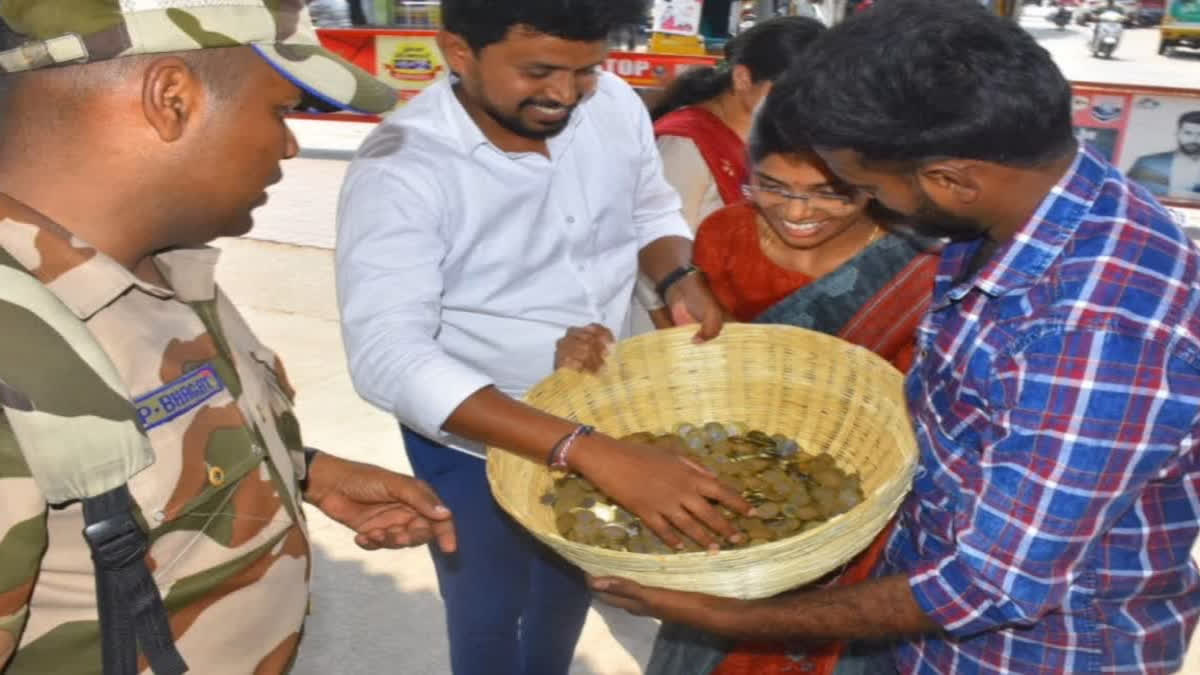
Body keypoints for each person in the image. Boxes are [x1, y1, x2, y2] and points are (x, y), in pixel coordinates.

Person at [588, 1, 1200, 673]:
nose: (867, 206)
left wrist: (732, 616)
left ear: (951, 181)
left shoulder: (1094, 330)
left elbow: (987, 585)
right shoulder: (1037, 198)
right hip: (924, 623)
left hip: (1025, 655)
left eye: (867, 188)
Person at [0, 2, 456, 674]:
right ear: (172, 99)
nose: (291, 144)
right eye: (281, 109)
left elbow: (130, 444)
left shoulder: (161, 265)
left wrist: (302, 470)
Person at [334, 1, 753, 673]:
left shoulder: (611, 105)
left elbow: (650, 209)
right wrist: (585, 452)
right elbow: (389, 356)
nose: (565, 93)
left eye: (586, 69)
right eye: (539, 70)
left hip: (600, 407)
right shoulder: (402, 166)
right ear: (458, 52)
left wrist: (677, 276)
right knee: (489, 609)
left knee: (567, 583)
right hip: (474, 439)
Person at [559, 106, 939, 675]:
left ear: (871, 184)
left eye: (830, 193)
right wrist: (598, 356)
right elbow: (700, 360)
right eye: (773, 185)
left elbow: (925, 400)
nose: (797, 211)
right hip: (739, 486)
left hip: (865, 503)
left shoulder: (916, 267)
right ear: (747, 170)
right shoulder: (726, 234)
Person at [635, 17, 825, 330]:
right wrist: (670, 324)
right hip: (677, 325)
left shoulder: (768, 139)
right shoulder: (686, 142)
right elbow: (650, 243)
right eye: (788, 91)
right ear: (742, 78)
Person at [1128, 110, 1200, 199]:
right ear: (1177, 134)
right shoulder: (1147, 163)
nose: (1194, 139)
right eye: (1188, 133)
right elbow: (1126, 192)